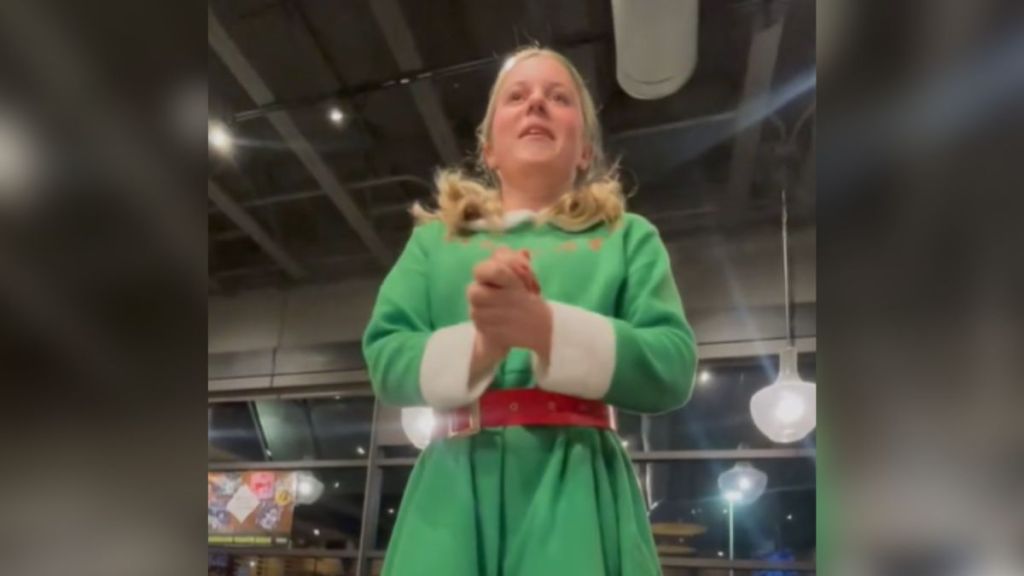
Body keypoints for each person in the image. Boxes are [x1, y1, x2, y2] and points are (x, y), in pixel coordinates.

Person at [362, 46, 698, 576]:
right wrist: (479, 349)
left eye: (558, 97)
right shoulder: (434, 244)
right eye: (516, 97)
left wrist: (546, 330)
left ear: (585, 148)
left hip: (578, 491)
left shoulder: (627, 238)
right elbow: (384, 355)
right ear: (489, 147)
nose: (536, 103)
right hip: (453, 496)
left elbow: (673, 365)